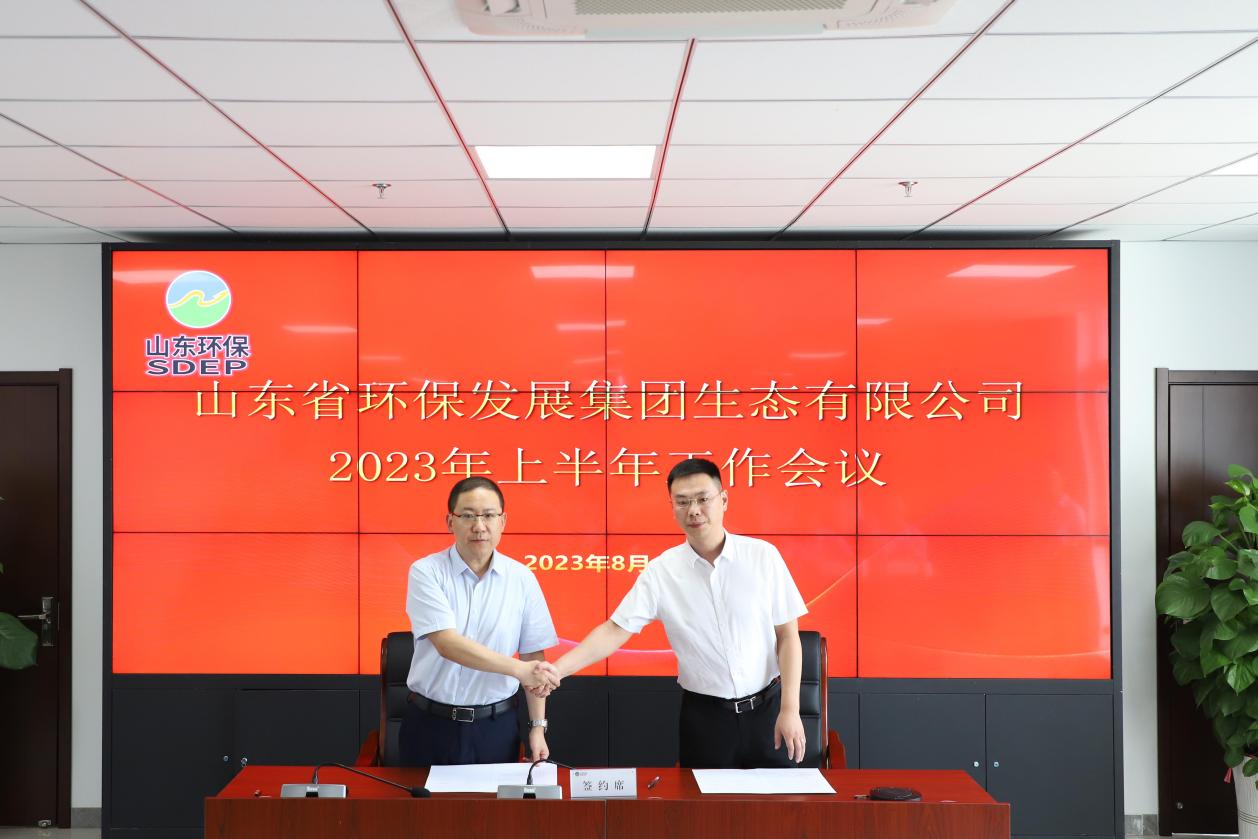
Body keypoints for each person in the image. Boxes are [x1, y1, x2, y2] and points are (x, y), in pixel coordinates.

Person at [548, 457, 809, 768]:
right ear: (672, 508)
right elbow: (614, 631)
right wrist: (557, 671)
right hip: (706, 718)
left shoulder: (762, 557)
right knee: (700, 800)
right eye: (682, 502)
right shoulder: (662, 572)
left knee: (780, 798)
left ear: (723, 500)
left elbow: (787, 636)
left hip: (769, 711)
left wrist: (790, 709)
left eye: (703, 499)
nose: (693, 510)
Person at [400, 476, 560, 766]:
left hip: (495, 728)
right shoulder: (426, 571)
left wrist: (538, 727)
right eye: (468, 516)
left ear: (503, 521)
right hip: (430, 724)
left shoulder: (522, 579)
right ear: (450, 522)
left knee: (494, 799)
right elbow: (447, 644)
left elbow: (533, 657)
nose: (479, 526)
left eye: (488, 515)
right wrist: (519, 670)